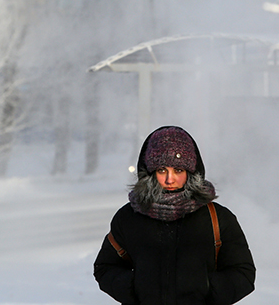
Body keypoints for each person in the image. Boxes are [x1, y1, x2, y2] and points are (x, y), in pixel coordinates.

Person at [94, 126, 256, 305]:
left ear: (191, 172)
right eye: (162, 170)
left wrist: (207, 290)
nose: (170, 179)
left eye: (178, 170)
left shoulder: (217, 218)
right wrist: (136, 289)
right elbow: (105, 267)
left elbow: (243, 272)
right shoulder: (129, 217)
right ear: (150, 172)